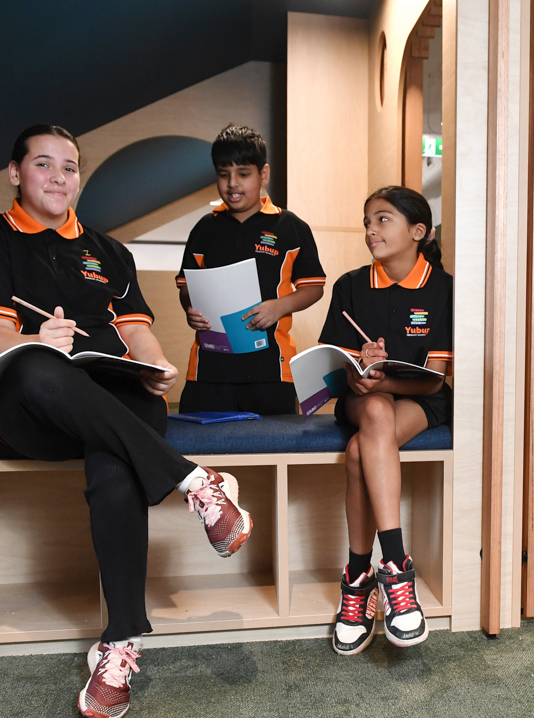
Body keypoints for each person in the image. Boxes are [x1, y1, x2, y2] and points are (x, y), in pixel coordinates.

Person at [0, 124, 254, 718]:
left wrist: (156, 363)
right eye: (43, 165)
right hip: (31, 403)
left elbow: (138, 329)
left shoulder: (109, 250)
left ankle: (119, 645)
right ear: (16, 173)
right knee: (40, 369)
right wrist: (33, 339)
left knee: (118, 451)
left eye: (69, 167)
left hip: (112, 392)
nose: (59, 177)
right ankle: (196, 482)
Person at [317, 186, 453, 655]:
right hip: (363, 400)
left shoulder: (443, 288)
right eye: (367, 221)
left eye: (383, 220)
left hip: (420, 398)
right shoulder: (351, 285)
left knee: (361, 449)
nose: (371, 230)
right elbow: (334, 370)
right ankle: (396, 567)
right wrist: (362, 371)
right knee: (373, 411)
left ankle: (358, 577)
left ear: (419, 232)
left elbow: (434, 380)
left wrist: (388, 384)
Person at [176, 124, 326, 415]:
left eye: (243, 174)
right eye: (223, 174)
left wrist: (278, 307)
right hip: (209, 370)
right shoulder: (204, 229)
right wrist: (190, 309)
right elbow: (185, 287)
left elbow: (314, 287)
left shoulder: (290, 227)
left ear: (264, 175)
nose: (233, 184)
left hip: (270, 369)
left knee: (272, 454)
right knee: (194, 452)